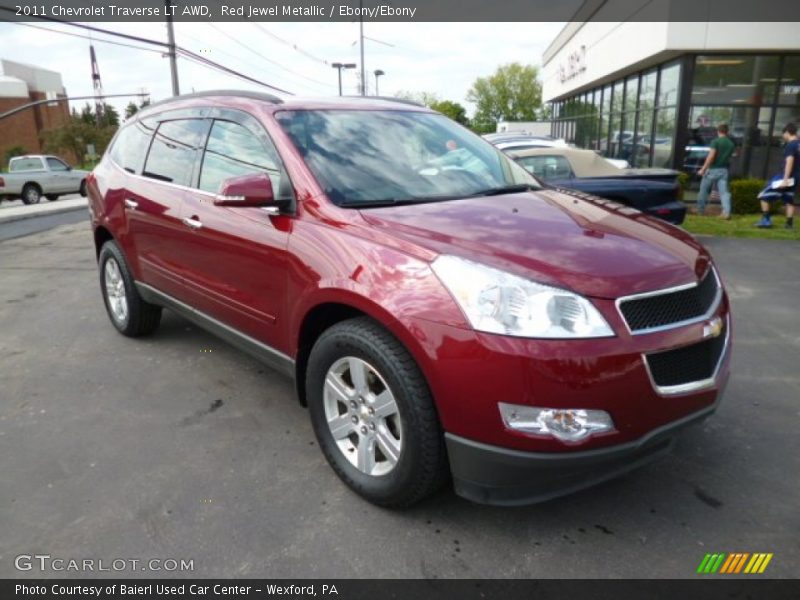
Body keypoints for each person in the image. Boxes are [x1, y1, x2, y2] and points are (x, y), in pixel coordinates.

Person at [756, 123, 799, 229]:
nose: (783, 137)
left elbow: (789, 161)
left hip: (785, 176)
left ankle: (766, 220)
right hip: (796, 177)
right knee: (789, 200)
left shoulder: (791, 145)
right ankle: (789, 224)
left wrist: (785, 179)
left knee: (763, 195)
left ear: (787, 133)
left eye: (783, 134)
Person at [697, 124, 735, 219]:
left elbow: (711, 156)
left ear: (718, 131)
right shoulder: (731, 143)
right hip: (724, 170)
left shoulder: (716, 142)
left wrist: (703, 169)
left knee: (704, 190)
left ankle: (700, 210)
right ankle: (726, 212)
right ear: (727, 132)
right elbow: (733, 155)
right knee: (724, 193)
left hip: (713, 169)